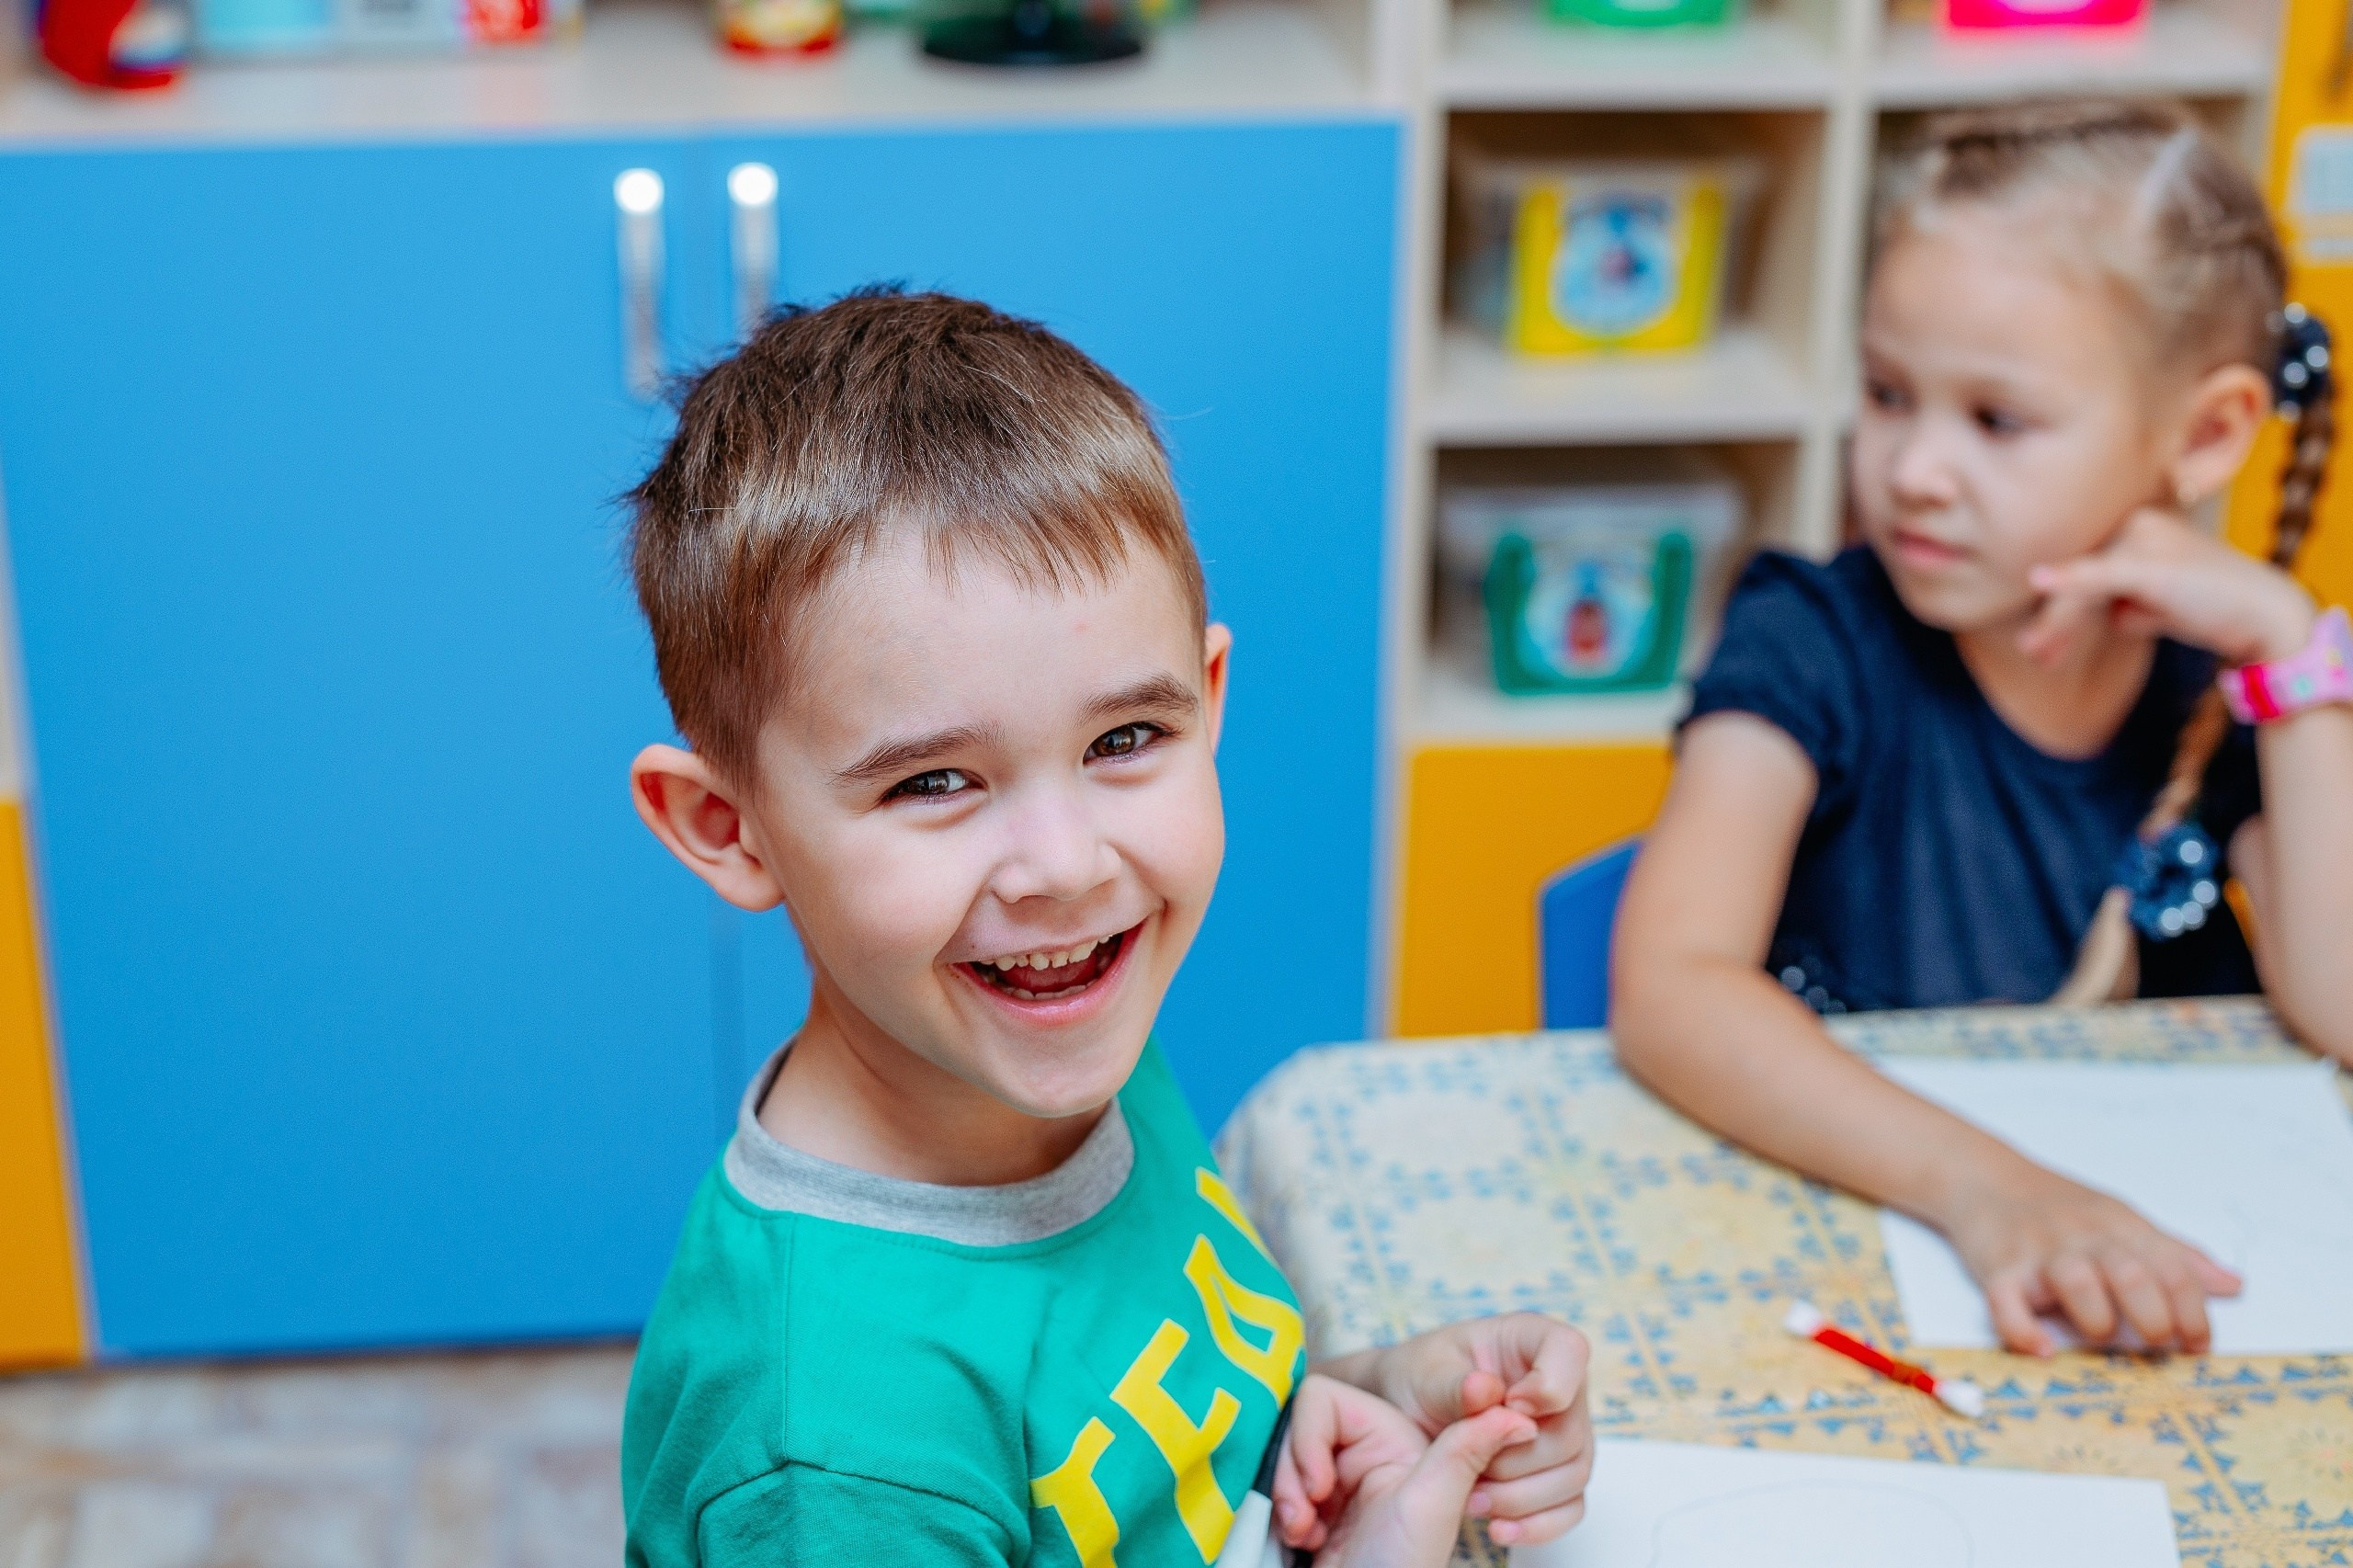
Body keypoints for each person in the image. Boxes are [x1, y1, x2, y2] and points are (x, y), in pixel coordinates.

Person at [617, 289, 1594, 1566]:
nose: (1069, 868)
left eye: (1125, 739)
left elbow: (1145, 1445)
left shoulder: (1047, 1026)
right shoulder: (837, 1461)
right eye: (934, 781)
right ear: (729, 828)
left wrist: (1355, 1399)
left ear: (1209, 699)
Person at [1611, 101, 2353, 1359]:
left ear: (2206, 435)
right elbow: (1670, 988)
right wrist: (1994, 1191)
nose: (1913, 469)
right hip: (1866, 1272)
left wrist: (2289, 651)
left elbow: (2339, 1001)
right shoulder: (1809, 636)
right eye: (1888, 393)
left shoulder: (2226, 690)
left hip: (2158, 1295)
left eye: (1996, 420)